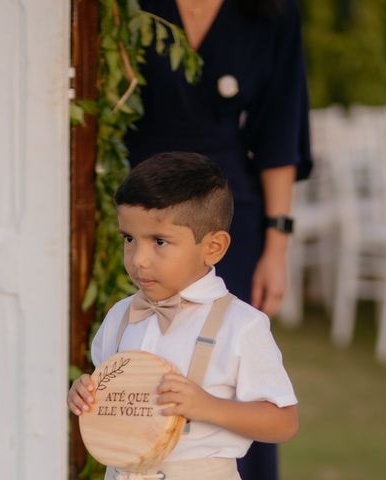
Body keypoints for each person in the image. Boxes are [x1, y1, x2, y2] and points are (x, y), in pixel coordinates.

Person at [124, 1, 312, 477]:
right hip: (137, 209)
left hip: (227, 217)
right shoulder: (126, 7)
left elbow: (280, 132)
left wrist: (277, 245)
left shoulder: (272, 12)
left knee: (234, 369)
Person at [68, 153, 298, 480]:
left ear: (213, 247)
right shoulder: (120, 317)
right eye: (129, 239)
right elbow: (111, 391)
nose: (139, 260)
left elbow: (284, 422)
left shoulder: (241, 325)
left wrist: (207, 406)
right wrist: (87, 394)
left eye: (159, 241)